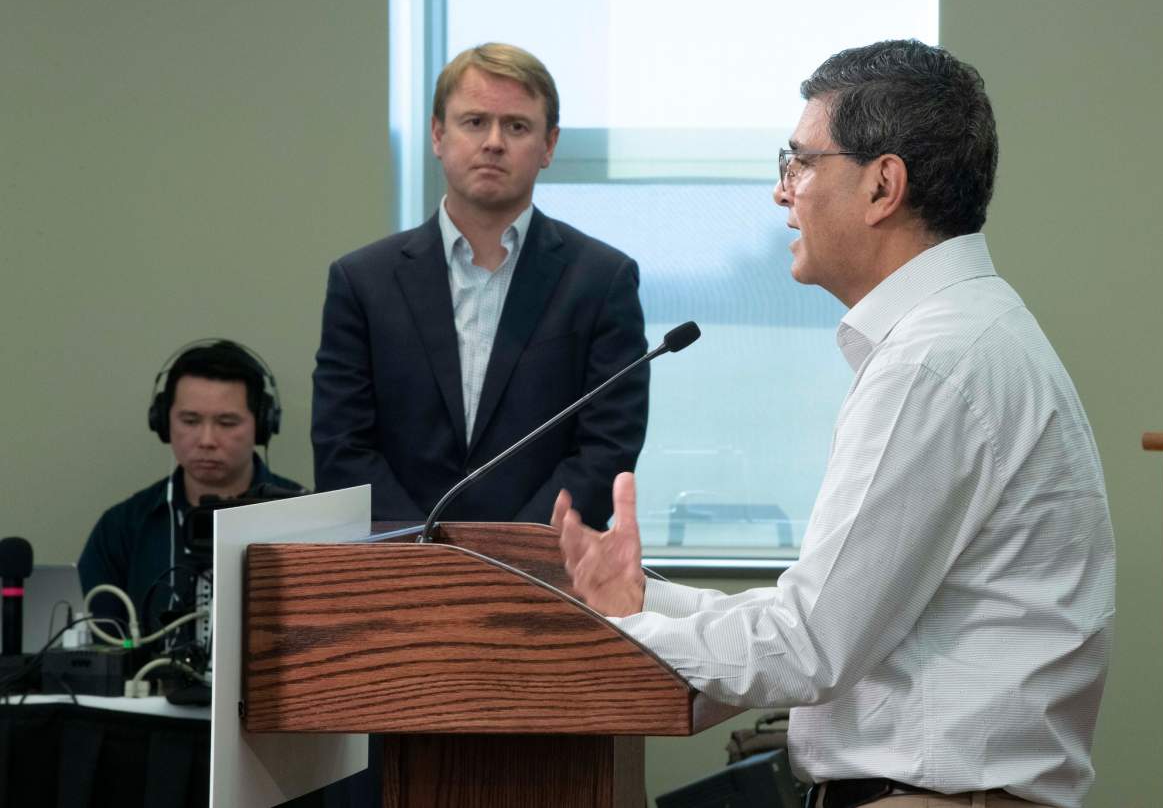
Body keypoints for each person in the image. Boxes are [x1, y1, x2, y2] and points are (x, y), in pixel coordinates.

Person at [553, 40, 1115, 808]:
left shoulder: (935, 360)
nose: (783, 194)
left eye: (800, 162)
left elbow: (809, 644)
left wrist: (610, 634)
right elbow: (826, 614)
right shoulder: (958, 336)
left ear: (884, 185)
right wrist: (644, 601)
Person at [312, 42, 648, 527]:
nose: (493, 142)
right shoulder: (362, 282)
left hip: (541, 573)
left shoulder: (601, 280)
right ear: (437, 135)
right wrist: (425, 552)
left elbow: (607, 447)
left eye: (516, 126)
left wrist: (510, 554)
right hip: (395, 571)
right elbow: (341, 446)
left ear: (549, 145)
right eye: (474, 122)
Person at [79, 339, 304, 642]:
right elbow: (99, 647)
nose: (207, 440)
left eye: (227, 422)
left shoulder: (306, 517)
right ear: (162, 422)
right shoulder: (123, 528)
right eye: (190, 421)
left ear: (262, 425)